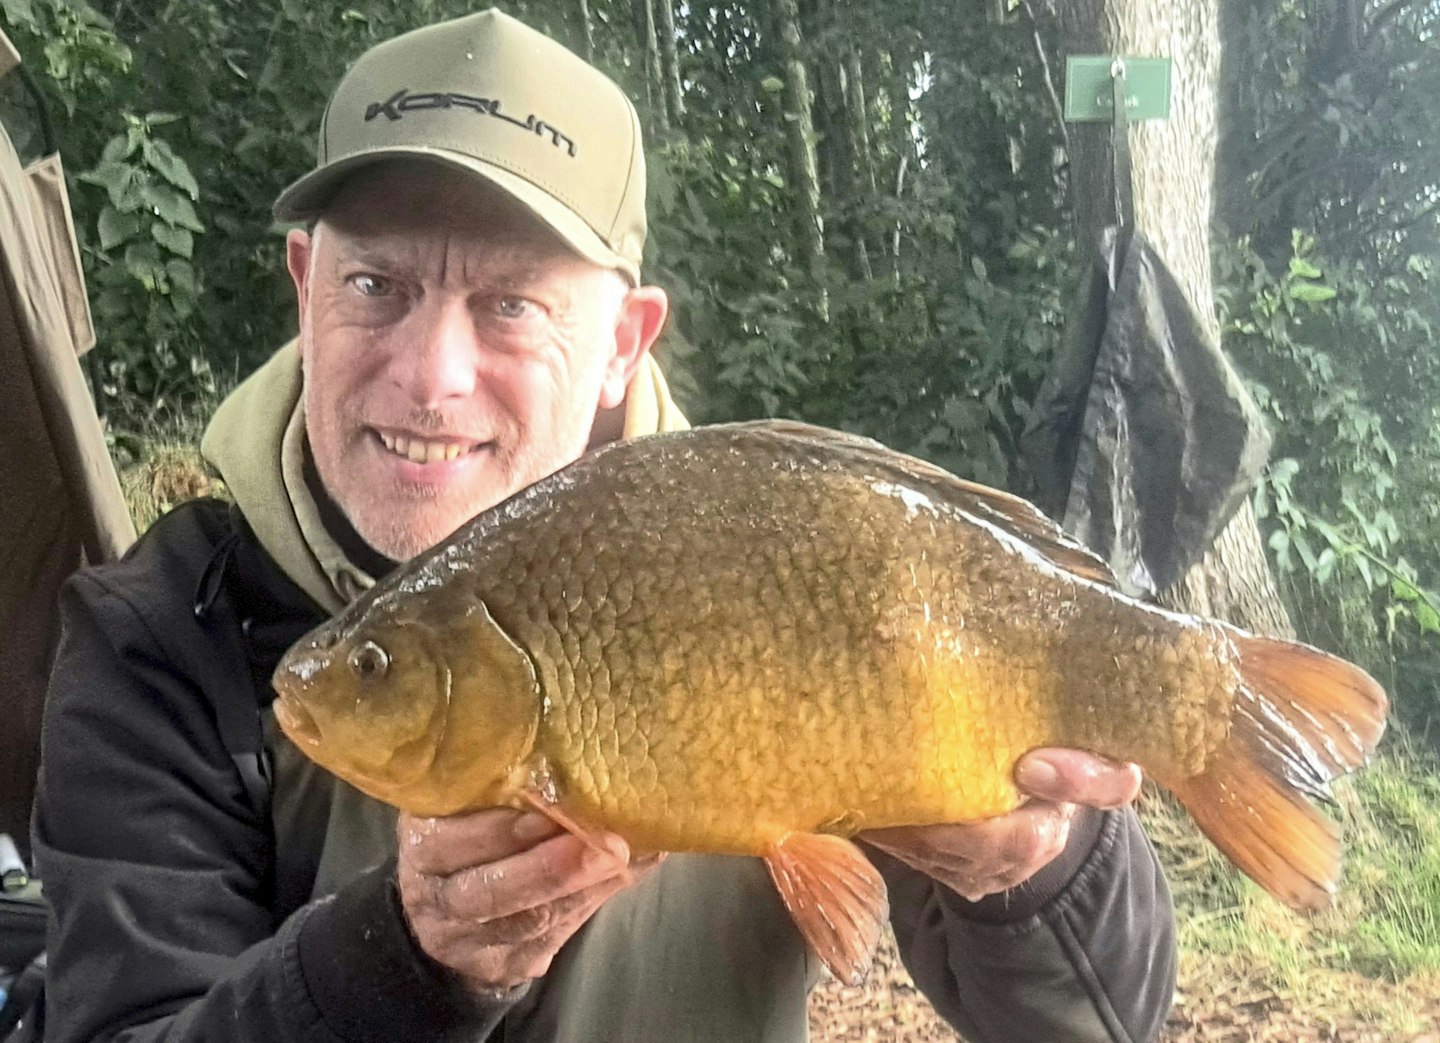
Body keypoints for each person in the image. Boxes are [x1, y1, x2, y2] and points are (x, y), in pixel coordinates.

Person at [30, 9, 1177, 1042]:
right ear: (303, 283)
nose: (431, 375)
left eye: (510, 303)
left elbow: (1103, 1022)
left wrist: (1039, 862)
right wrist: (396, 963)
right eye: (377, 285)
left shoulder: (791, 551)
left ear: (627, 338)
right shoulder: (157, 636)